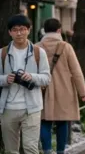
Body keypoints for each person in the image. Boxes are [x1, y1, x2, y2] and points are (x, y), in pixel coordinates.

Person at [0, 14, 51, 154]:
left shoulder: (38, 52)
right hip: (8, 108)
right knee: (10, 150)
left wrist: (31, 77)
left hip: (32, 107)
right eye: (15, 30)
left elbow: (47, 78)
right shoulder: (2, 53)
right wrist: (5, 79)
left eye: (22, 29)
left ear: (29, 30)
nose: (19, 33)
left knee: (31, 148)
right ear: (10, 32)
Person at [38, 18, 85, 154]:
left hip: (42, 90)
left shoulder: (37, 47)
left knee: (44, 121)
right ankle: (61, 151)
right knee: (62, 122)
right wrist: (82, 92)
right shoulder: (66, 47)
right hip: (64, 90)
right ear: (59, 30)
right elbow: (76, 71)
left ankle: (47, 150)